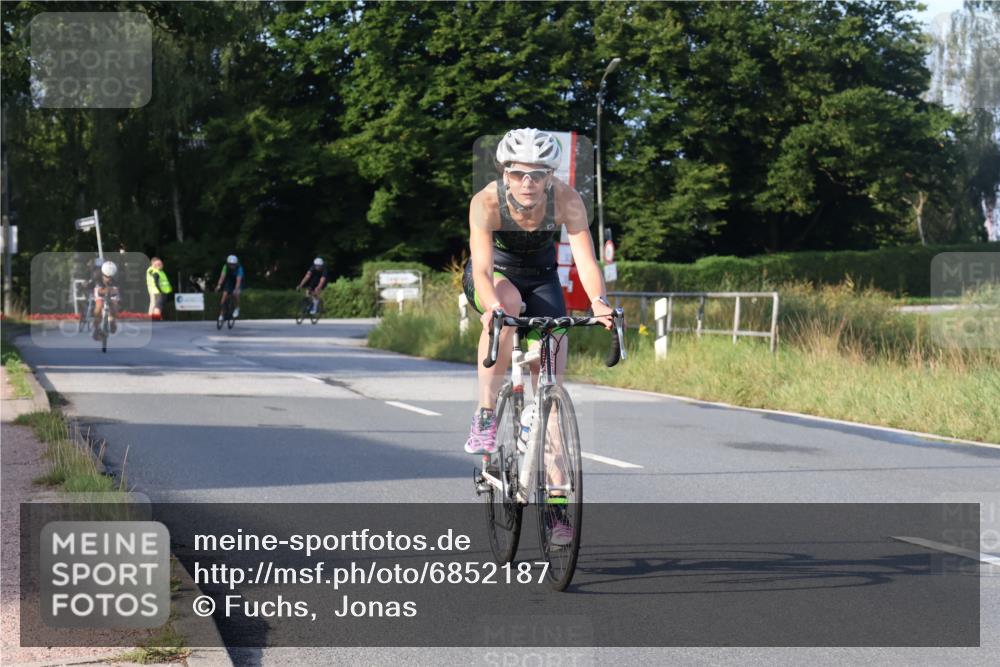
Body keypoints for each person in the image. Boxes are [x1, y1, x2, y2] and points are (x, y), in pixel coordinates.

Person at [92, 260, 120, 340]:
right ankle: (96, 327)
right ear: (102, 273)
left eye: (110, 277)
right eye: (106, 276)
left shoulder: (117, 277)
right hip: (100, 289)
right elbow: (96, 287)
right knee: (99, 305)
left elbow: (118, 289)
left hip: (112, 289)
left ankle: (112, 320)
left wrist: (114, 293)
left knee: (114, 305)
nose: (108, 278)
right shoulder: (97, 275)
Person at [215, 255, 244, 320]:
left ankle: (237, 308)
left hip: (237, 280)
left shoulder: (239, 268)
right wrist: (219, 285)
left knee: (236, 294)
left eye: (233, 264)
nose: (232, 266)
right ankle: (221, 314)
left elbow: (238, 281)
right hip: (229, 280)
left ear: (236, 264)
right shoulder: (225, 267)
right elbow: (222, 277)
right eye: (230, 264)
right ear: (228, 264)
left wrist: (236, 289)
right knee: (224, 297)